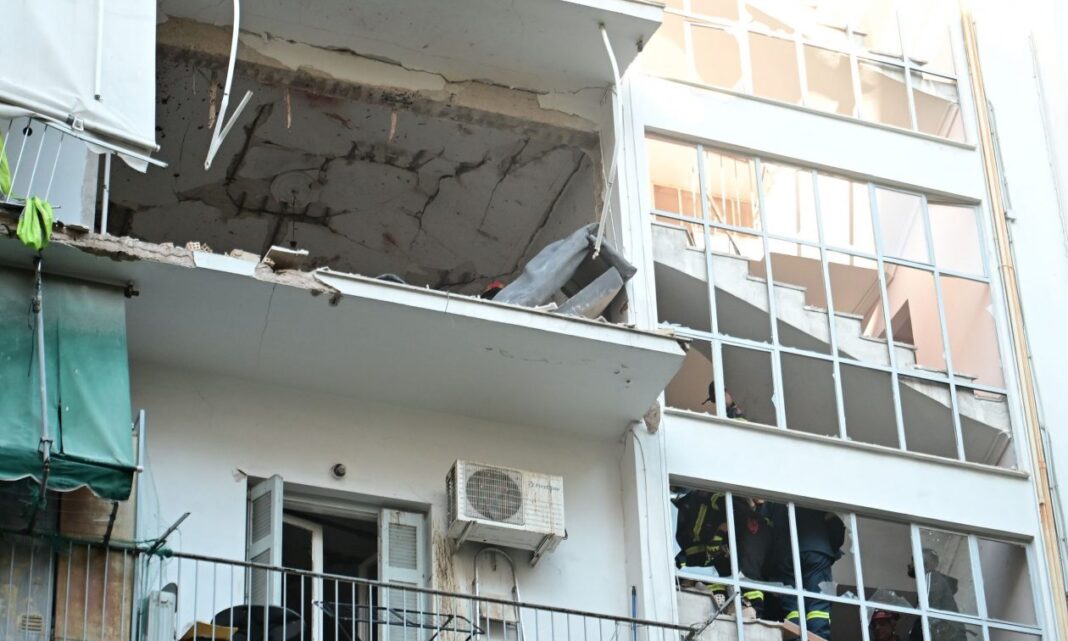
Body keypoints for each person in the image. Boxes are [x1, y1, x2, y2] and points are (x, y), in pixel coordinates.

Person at [673, 490, 773, 617]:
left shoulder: (757, 519)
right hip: (725, 571)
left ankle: (750, 611)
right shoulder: (741, 510)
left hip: (743, 579)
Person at [765, 505, 846, 640]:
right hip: (816, 550)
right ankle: (818, 637)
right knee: (818, 605)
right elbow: (835, 524)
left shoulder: (774, 499)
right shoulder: (815, 495)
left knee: (792, 607)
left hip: (785, 555)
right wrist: (830, 547)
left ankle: (795, 638)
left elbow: (765, 528)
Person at [907, 549, 967, 641]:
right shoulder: (933, 580)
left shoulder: (931, 577)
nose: (909, 565)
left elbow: (928, 609)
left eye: (913, 560)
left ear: (923, 563)